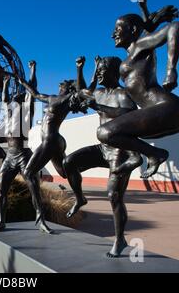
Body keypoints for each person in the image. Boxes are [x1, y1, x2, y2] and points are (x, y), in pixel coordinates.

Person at [98, 0, 179, 179]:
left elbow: (175, 27)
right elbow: (147, 30)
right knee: (116, 133)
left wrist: (171, 69)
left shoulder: (140, 46)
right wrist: (144, 9)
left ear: (131, 30)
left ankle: (153, 154)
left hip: (167, 107)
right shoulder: (136, 51)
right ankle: (144, 155)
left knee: (105, 132)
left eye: (117, 28)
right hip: (160, 113)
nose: (113, 34)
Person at [64, 56, 142, 258]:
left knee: (114, 196)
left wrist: (98, 107)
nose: (98, 73)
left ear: (114, 72)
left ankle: (120, 239)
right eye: (98, 69)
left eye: (102, 69)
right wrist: (80, 69)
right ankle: (80, 198)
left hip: (119, 151)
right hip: (102, 149)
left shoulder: (122, 93)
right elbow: (82, 92)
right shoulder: (98, 92)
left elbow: (129, 113)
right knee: (69, 162)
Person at [0, 66, 52, 234]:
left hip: (24, 156)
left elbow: (31, 93)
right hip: (9, 157)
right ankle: (1, 221)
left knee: (34, 188)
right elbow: (4, 99)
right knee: (1, 190)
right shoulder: (8, 114)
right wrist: (5, 83)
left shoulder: (27, 114)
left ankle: (41, 221)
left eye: (18, 99)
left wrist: (33, 71)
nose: (13, 101)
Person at [18, 61, 85, 186]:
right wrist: (25, 83)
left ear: (69, 88)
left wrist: (79, 69)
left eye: (63, 84)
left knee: (28, 173)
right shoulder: (52, 98)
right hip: (53, 140)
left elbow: (81, 91)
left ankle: (38, 204)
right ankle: (80, 195)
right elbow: (35, 94)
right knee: (65, 172)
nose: (60, 84)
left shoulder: (68, 99)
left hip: (50, 140)